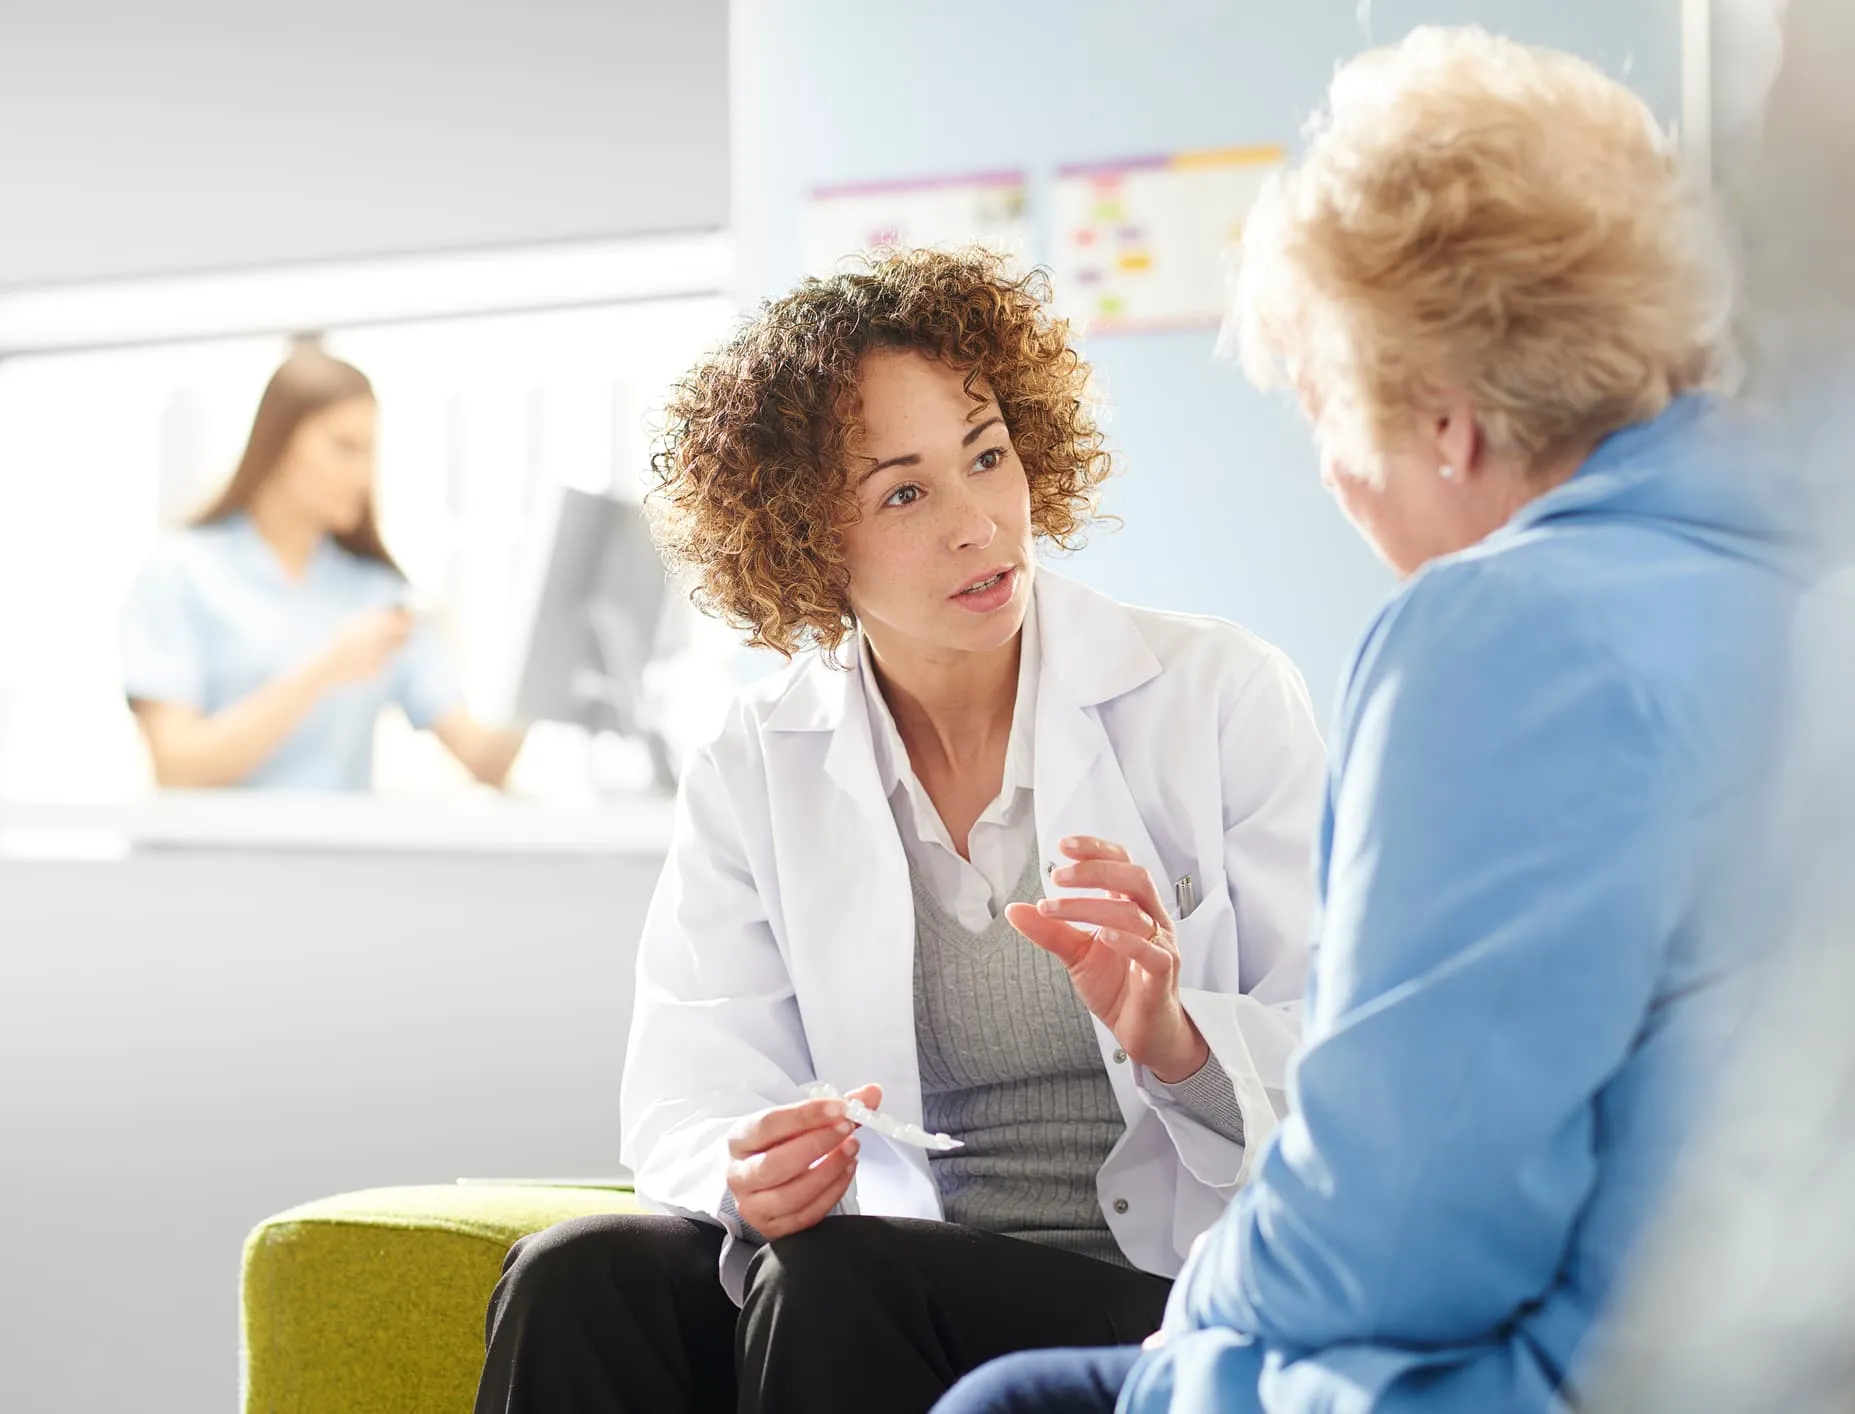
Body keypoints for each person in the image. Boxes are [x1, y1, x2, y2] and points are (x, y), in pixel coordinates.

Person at [935, 26, 1800, 1414]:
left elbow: (1395, 1228)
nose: (1335, 475)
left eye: (1327, 414)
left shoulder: (1506, 634)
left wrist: (1189, 1324)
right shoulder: (1790, 573)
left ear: (1445, 424)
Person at [471, 249, 1328, 1414]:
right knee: (578, 1275)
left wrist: (1174, 1037)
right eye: (904, 493)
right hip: (860, 1282)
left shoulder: (1217, 694)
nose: (978, 523)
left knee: (837, 1278)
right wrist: (748, 1167)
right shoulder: (756, 759)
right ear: (804, 539)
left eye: (987, 456)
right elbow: (689, 1085)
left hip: (1155, 1295)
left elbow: (1344, 1069)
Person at [120, 347, 525, 790]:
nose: (363, 477)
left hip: (344, 839)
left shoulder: (379, 595)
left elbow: (483, 760)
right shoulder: (181, 573)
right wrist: (325, 669)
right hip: (220, 839)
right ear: (278, 442)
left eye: (370, 453)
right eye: (345, 448)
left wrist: (547, 667)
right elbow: (176, 768)